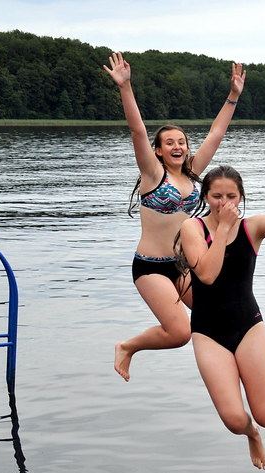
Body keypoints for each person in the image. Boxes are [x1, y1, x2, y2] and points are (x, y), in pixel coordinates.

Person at [176, 126, 265, 469]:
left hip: (247, 325)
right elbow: (207, 275)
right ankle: (252, 435)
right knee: (233, 419)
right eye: (216, 196)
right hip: (209, 331)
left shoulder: (251, 228)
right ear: (205, 198)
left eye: (231, 197)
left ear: (240, 197)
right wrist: (223, 229)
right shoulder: (191, 229)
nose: (224, 203)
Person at [104, 51, 245, 381]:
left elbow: (215, 135)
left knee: (220, 310)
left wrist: (233, 97)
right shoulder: (153, 175)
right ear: (158, 150)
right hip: (150, 266)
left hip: (182, 266)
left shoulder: (193, 173)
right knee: (179, 331)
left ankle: (231, 367)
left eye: (181, 141)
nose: (178, 146)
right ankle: (128, 346)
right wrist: (125, 87)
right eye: (170, 143)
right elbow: (138, 131)